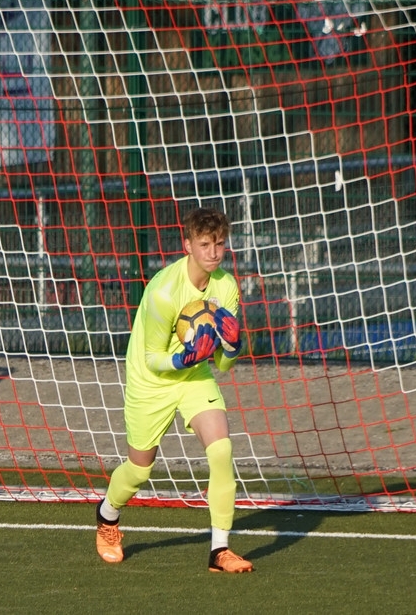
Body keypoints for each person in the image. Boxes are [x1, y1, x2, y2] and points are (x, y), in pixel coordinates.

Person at [95, 207, 252, 573]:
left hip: (194, 376)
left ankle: (219, 550)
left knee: (221, 449)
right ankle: (107, 515)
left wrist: (232, 346)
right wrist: (184, 358)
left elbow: (223, 365)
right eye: (205, 244)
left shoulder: (226, 287)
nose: (213, 252)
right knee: (139, 471)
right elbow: (152, 358)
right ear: (187, 245)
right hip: (150, 380)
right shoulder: (164, 291)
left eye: (219, 244)